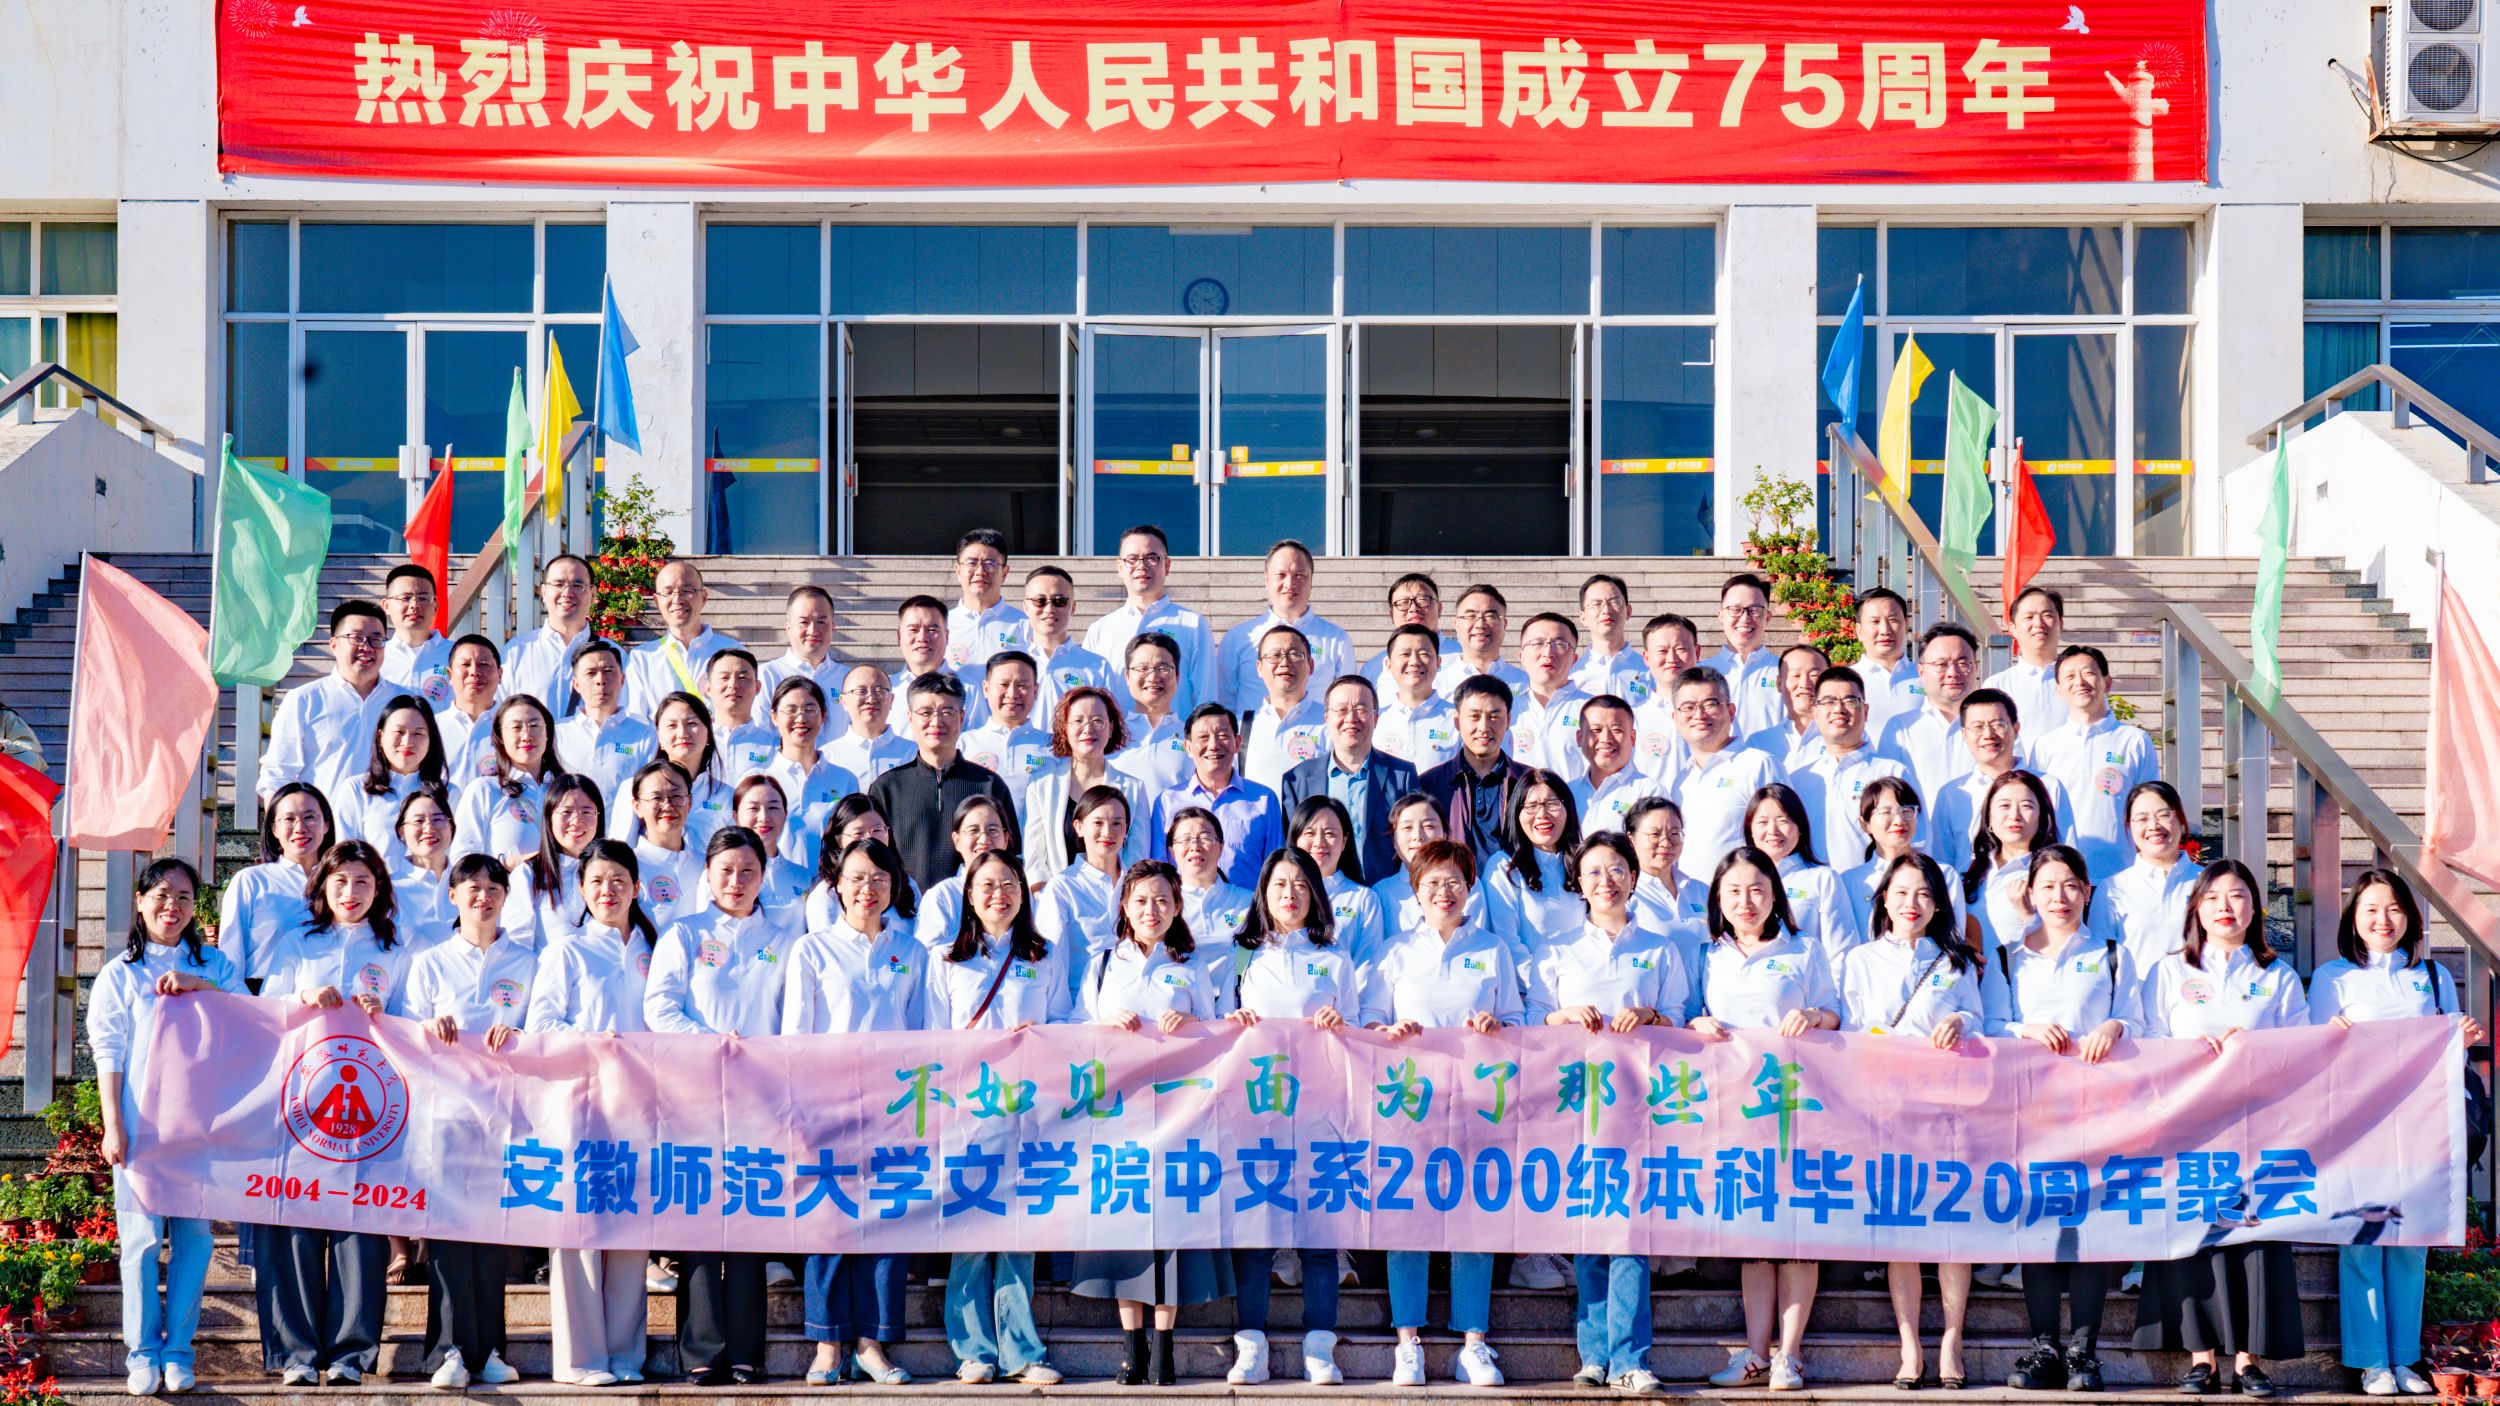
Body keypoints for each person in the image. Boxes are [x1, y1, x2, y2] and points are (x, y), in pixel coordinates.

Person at [2134, 859, 2309, 1397]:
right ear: (2196, 909)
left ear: (2255, 908)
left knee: (2254, 1237)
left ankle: (2248, 1360)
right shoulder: (2170, 972)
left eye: (2237, 896)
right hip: (2188, 1126)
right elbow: (2146, 1039)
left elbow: (2300, 1048)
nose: (2225, 907)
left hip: (2256, 1127)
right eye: (2212, 898)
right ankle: (2201, 1358)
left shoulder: (2275, 974)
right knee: (2193, 1235)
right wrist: (2187, 1052)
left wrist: (2254, 1048)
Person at [1529, 832, 1690, 1396]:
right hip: (1575, 1106)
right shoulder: (1556, 950)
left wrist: (1649, 1015)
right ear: (1579, 882)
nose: (1606, 881)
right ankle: (1593, 1354)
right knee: (1587, 1233)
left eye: (1617, 869)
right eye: (1594, 872)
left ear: (1633, 877)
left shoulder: (1660, 948)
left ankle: (1628, 1358)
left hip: (1639, 1110)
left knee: (1628, 1234)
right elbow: (1531, 1020)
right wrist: (1564, 1015)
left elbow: (1680, 1016)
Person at [2313, 869, 2482, 1397]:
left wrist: (2461, 1039)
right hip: (2358, 1127)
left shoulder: (2431, 975)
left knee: (2411, 1242)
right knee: (2363, 1240)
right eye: (2370, 909)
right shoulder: (2332, 978)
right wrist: (2327, 1037)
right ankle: (2371, 1361)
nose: (2382, 919)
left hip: (2421, 1122)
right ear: (2353, 919)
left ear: (2409, 916)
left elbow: (2448, 1055)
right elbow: (2314, 1057)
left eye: (2393, 909)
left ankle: (2405, 1358)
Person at [1361, 838, 1518, 1389]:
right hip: (1410, 1103)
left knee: (1474, 1216)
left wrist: (1497, 1026)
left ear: (1470, 887)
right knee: (1408, 1216)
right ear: (1415, 891)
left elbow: (1517, 1017)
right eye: (1432, 883)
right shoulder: (1396, 951)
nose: (1444, 892)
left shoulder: (1493, 948)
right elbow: (1368, 1020)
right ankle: (1409, 1342)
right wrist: (1389, 1030)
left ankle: (1474, 1343)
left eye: (1454, 881)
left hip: (1477, 1103)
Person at [1072, 859, 1233, 1386]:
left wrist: (1192, 1023)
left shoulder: (1192, 966)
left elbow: (1220, 1036)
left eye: (1162, 900)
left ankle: (1164, 1348)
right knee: (1125, 1227)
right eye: (1140, 900)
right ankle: (1131, 1347)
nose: (1151, 909)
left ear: (1178, 906)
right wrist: (1103, 1024)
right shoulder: (1102, 964)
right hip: (1118, 1118)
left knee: (1173, 1232)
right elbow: (1072, 1031)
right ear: (1124, 906)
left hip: (1179, 1116)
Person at [643, 827, 793, 1386]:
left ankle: (748, 1350)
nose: (736, 881)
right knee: (702, 1220)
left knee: (751, 1221)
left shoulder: (783, 939)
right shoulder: (684, 933)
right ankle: (702, 1348)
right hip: (696, 1092)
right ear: (706, 874)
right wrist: (711, 1045)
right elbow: (659, 1007)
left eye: (748, 870)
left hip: (761, 1095)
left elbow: (792, 1015)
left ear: (763, 875)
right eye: (725, 870)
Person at [254, 840, 407, 1385]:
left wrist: (385, 1013)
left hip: (368, 1113)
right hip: (299, 1104)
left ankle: (350, 1354)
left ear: (379, 888)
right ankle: (296, 1354)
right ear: (322, 887)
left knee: (360, 1231)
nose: (351, 892)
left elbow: (414, 1022)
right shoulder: (298, 943)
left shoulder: (395, 950)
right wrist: (302, 998)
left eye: (363, 881)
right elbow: (264, 1012)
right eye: (340, 881)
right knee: (294, 1227)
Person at [1838, 853, 1989, 1393]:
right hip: (1886, 1107)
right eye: (1901, 892)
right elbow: (1851, 1028)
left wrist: (1960, 1020)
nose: (1912, 903)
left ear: (1938, 904)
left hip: (1948, 1107)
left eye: (1924, 894)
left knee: (1951, 1226)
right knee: (1900, 1226)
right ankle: (1909, 1343)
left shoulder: (1955, 959)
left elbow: (1982, 1018)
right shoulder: (1860, 959)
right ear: (1883, 899)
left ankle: (1952, 1338)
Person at [91, 857, 242, 1397]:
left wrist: (200, 985)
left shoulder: (216, 965)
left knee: (195, 1241)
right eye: (160, 895)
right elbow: (108, 1051)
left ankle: (178, 1351)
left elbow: (251, 1020)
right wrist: (113, 1125)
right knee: (139, 1242)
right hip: (142, 1127)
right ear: (139, 901)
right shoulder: (119, 974)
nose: (171, 906)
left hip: (200, 1128)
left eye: (183, 897)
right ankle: (142, 1354)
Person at [1691, 845, 1839, 1392]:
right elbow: (1687, 1012)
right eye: (1733, 891)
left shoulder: (1804, 949)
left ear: (1776, 894)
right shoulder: (1707, 953)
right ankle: (1755, 1352)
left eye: (1756, 889)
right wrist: (1696, 1023)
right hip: (1733, 1109)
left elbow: (1837, 1014)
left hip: (1797, 1106)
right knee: (1754, 1231)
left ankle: (1790, 1355)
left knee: (1796, 1230)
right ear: (1718, 898)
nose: (1745, 901)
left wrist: (1814, 1016)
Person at [782, 837, 926, 1387]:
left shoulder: (911, 952)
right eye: (858, 878)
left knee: (885, 1223)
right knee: (828, 1219)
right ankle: (827, 1342)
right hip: (828, 1105)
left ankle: (872, 1343)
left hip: (893, 1106)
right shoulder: (813, 950)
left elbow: (923, 1032)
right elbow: (797, 1034)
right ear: (837, 886)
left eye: (880, 878)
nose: (869, 888)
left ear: (895, 886)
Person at [1999, 844, 2139, 1393]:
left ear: (2087, 891)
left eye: (2070, 885)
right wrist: (2025, 1029)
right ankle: (2044, 1348)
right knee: (2038, 1228)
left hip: (2095, 1111)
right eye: (2048, 886)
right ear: (2031, 894)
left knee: (2086, 1229)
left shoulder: (2111, 953)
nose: (2059, 897)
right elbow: (1990, 1021)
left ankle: (2083, 1350)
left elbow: (2139, 1017)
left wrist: (2115, 1026)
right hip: (2029, 1110)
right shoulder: (2010, 958)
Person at [925, 852, 1068, 1387]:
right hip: (966, 1112)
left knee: (1018, 1232)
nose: (998, 894)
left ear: (1023, 893)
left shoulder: (1043, 955)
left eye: (1009, 884)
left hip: (1028, 1113)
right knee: (969, 1231)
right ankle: (973, 1350)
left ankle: (1022, 1350)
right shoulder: (947, 959)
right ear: (968, 894)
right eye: (986, 885)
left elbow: (1067, 1019)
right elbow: (932, 1036)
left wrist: (1042, 1036)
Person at [524, 839, 659, 1385]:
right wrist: (594, 1042)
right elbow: (541, 1024)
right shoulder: (567, 952)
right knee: (579, 1230)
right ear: (581, 890)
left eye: (618, 880)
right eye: (597, 881)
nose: (608, 890)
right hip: (582, 1105)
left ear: (636, 887)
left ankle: (625, 1355)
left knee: (631, 1228)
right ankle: (581, 1359)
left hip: (642, 1107)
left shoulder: (654, 946)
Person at [1224, 846, 1357, 1386]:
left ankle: (1320, 1345)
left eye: (1301, 884)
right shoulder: (1241, 955)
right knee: (1257, 1230)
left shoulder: (1336, 958)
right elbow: (1215, 1021)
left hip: (1320, 1109)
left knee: (1320, 1235)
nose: (1290, 894)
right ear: (1264, 893)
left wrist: (1340, 1023)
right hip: (1257, 1111)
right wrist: (1233, 1021)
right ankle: (1250, 1344)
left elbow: (1359, 1029)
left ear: (1315, 894)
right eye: (1280, 884)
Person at [402, 854, 534, 1390]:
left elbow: (543, 1026)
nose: (483, 896)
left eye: (493, 887)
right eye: (471, 888)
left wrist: (519, 1037)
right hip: (446, 1115)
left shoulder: (527, 961)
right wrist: (428, 1025)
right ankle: (449, 1351)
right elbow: (405, 1031)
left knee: (493, 1235)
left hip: (507, 1115)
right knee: (451, 1235)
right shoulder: (430, 961)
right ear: (452, 896)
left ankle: (491, 1349)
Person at [869, 671, 1020, 889]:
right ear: (910, 718)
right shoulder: (887, 787)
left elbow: (1010, 855)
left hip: (972, 904)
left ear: (961, 717)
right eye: (925, 712)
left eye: (947, 712)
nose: (936, 722)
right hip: (907, 906)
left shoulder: (988, 784)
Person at [2030, 645, 2158, 880]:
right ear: (2059, 689)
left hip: (2122, 873)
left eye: (2088, 673)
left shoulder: (2134, 741)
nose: (2079, 682)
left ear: (2106, 682)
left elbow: (2150, 807)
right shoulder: (2046, 746)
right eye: (2070, 676)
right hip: (2063, 876)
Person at [1281, 675, 1418, 883]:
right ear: (1327, 718)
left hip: (1384, 891)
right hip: (1320, 891)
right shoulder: (1297, 779)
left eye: (1361, 709)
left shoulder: (1402, 775)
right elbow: (1292, 848)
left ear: (1376, 718)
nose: (1351, 718)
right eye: (1341, 709)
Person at [259, 600, 394, 806]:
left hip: (389, 822)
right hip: (324, 823)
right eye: (356, 638)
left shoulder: (403, 700)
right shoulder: (304, 700)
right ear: (334, 644)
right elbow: (278, 774)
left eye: (376, 639)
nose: (366, 647)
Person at [1929, 690, 2071, 875]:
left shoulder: (2049, 786)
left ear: (2016, 729)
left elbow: (2067, 857)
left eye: (1998, 725)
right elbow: (1942, 865)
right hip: (1971, 892)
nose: (1988, 734)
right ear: (1964, 734)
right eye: (1977, 727)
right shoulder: (1951, 794)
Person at [1019, 687, 1149, 886]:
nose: (1088, 729)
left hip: (1115, 897)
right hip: (1058, 897)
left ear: (1110, 728)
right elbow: (1036, 862)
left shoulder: (1133, 788)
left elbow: (1136, 860)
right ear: (1065, 728)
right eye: (1078, 721)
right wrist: (1049, 897)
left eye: (1097, 721)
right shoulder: (1041, 786)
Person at [1664, 666, 1782, 885]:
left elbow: (1783, 839)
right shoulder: (1682, 779)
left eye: (1710, 704)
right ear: (1675, 717)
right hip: (1693, 899)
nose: (1699, 715)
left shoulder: (1758, 765)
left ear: (1731, 710)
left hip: (1745, 898)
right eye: (1688, 707)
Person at [1083, 524, 1217, 714]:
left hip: (1176, 732)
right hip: (1118, 733)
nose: (1141, 566)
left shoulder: (1193, 624)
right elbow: (1088, 698)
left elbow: (1206, 695)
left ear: (1167, 565)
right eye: (1132, 559)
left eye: (1151, 558)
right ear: (1120, 567)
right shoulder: (1100, 629)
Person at [1147, 704, 1282, 889]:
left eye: (1223, 736)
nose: (1213, 745)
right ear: (1188, 747)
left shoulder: (1264, 800)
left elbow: (1276, 869)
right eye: (1203, 737)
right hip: (1185, 906)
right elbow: (1159, 869)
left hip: (1246, 905)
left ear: (1237, 742)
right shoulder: (1168, 801)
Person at [1217, 539, 1355, 715]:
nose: (1290, 584)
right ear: (1267, 579)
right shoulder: (1238, 637)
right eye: (1281, 575)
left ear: (1311, 580)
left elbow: (1345, 701)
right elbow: (1224, 702)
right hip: (1253, 732)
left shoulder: (1337, 639)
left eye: (1300, 575)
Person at [218, 781, 334, 983]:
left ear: (326, 824)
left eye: (309, 817)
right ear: (274, 828)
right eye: (289, 819)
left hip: (326, 996)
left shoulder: (340, 883)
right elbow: (230, 959)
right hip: (261, 996)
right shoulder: (252, 881)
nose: (300, 828)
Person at [1788, 665, 1911, 855]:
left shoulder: (1892, 773)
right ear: (1815, 713)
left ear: (1866, 711)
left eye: (1850, 701)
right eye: (1828, 701)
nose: (1839, 709)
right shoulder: (1799, 780)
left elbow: (1917, 843)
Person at [1417, 675, 1532, 862]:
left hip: (1516, 880)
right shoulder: (1430, 785)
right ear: (1457, 721)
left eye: (1494, 716)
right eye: (1474, 717)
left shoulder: (1529, 782)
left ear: (1508, 719)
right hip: (1453, 879)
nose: (1484, 727)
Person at [1483, 768, 1585, 967]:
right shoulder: (1504, 867)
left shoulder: (1585, 864)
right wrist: (1543, 985)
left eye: (1552, 803)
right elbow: (1508, 945)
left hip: (1584, 981)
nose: (1542, 814)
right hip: (1530, 984)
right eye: (1531, 806)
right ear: (1517, 813)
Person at [1746, 781, 1860, 956]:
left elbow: (1841, 951)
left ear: (1800, 828)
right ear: (1750, 830)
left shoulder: (1822, 879)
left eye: (1783, 821)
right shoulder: (1737, 881)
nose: (1772, 830)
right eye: (1762, 822)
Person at [756, 677, 858, 871]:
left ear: (823, 715)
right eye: (791, 710)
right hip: (771, 885)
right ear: (774, 716)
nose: (801, 718)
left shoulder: (845, 780)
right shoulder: (757, 778)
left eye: (810, 710)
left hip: (827, 884)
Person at [1963, 770, 2067, 958]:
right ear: (1989, 818)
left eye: (2026, 806)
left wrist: (2028, 915)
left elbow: (2066, 943)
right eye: (2004, 806)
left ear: (2042, 818)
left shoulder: (2053, 874)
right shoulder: (1969, 871)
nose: (2015, 815)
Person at [1878, 623, 1984, 806]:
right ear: (1921, 671)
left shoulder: (1994, 725)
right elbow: (1889, 797)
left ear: (1976, 668)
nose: (1953, 673)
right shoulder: (1900, 729)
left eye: (1962, 663)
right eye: (1941, 664)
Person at [452, 694, 562, 868]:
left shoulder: (566, 790)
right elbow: (462, 859)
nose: (526, 735)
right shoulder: (484, 790)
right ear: (500, 737)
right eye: (516, 727)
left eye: (534, 726)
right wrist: (507, 865)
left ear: (548, 733)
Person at [1035, 786, 1131, 978]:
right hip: (1079, 995)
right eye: (1098, 823)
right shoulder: (1062, 887)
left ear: (1126, 828)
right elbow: (1048, 958)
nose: (1107, 832)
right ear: (1079, 827)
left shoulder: (1137, 884)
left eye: (1117, 823)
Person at [625, 560, 741, 720]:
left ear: (703, 597)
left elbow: (744, 714)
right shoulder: (642, 658)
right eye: (668, 592)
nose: (677, 599)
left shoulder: (733, 652)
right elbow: (636, 720)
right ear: (657, 601)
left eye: (687, 590)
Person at [2105, 780, 2200, 971]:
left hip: (2197, 989)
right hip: (2134, 990)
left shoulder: (2208, 882)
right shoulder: (2112, 888)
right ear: (2129, 826)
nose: (2154, 826)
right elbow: (2101, 960)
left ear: (2181, 819)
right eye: (2142, 818)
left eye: (2164, 815)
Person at [1286, 795, 1390, 966]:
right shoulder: (1278, 895)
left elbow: (1367, 964)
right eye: (1310, 833)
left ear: (1344, 841)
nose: (1319, 842)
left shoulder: (1363, 899)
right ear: (1296, 839)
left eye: (1330, 833)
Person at [338, 695, 444, 863]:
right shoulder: (356, 789)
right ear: (381, 736)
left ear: (430, 740)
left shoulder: (447, 792)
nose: (407, 742)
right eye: (399, 732)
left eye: (418, 733)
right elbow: (345, 858)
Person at [553, 639, 653, 815]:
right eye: (591, 673)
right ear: (576, 684)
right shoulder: (557, 733)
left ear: (622, 679)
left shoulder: (644, 732)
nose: (601, 680)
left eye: (608, 671)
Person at [1009, 565, 1118, 723]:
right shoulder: (1010, 664)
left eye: (1059, 601)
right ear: (1026, 607)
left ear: (1072, 607)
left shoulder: (1097, 667)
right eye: (1040, 601)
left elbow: (1109, 724)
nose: (1049, 609)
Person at [802, 797, 924, 937]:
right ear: (839, 839)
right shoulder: (827, 896)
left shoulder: (908, 886)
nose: (869, 838)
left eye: (877, 830)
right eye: (858, 833)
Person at [500, 552, 598, 718]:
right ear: (544, 592)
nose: (567, 593)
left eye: (577, 585)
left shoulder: (611, 654)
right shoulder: (516, 652)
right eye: (558, 584)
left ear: (593, 594)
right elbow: (501, 715)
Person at [1238, 624, 1326, 794]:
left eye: (1295, 654)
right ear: (1259, 667)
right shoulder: (1241, 725)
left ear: (1310, 665)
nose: (1285, 663)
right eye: (1274, 655)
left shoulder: (1329, 721)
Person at [517, 774, 606, 941]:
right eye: (566, 811)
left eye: (586, 811)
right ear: (549, 816)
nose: (576, 821)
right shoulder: (528, 874)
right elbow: (518, 942)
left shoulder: (612, 874)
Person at [961, 650, 1052, 809]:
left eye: (1022, 685)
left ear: (1035, 690)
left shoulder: (1053, 746)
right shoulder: (963, 744)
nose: (1012, 694)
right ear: (986, 689)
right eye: (1003, 684)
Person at [623, 760, 705, 930]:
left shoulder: (706, 866)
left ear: (689, 802)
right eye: (656, 798)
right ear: (637, 806)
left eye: (676, 796)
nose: (667, 805)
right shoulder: (628, 868)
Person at [1511, 612, 1591, 783]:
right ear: (1522, 657)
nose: (1548, 653)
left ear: (1574, 658)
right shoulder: (1507, 708)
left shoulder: (1593, 709)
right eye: (1537, 643)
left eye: (1560, 644)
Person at [645, 692, 732, 844]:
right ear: (659, 736)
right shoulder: (639, 789)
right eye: (672, 725)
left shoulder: (726, 796)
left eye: (691, 724)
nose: (682, 734)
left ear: (708, 733)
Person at [1111, 632, 1192, 797]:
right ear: (1127, 676)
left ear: (1177, 676)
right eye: (1142, 668)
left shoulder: (1193, 738)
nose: (1153, 677)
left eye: (1163, 669)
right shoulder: (1109, 735)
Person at [1705, 574, 1785, 738]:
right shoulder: (1701, 673)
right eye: (1735, 610)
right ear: (1721, 615)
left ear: (1768, 617)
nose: (1745, 618)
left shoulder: (1785, 672)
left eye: (1754, 611)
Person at [1373, 624, 1459, 774]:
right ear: (1388, 664)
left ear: (1438, 663)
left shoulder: (1457, 719)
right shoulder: (1376, 720)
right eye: (1405, 654)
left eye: (1424, 654)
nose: (1414, 662)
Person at [1983, 586, 2068, 739]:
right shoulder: (1997, 685)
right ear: (2013, 629)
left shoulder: (2081, 682)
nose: (2038, 623)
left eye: (2047, 615)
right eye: (2029, 617)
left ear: (2061, 624)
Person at [728, 775, 817, 916]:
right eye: (753, 808)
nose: (764, 817)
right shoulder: (724, 874)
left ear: (785, 814)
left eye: (773, 807)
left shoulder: (802, 876)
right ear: (735, 815)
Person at [1624, 796, 1709, 944]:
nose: (1666, 843)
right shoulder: (1625, 894)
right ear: (1631, 840)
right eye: (1655, 834)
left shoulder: (1700, 891)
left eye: (1674, 834)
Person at [1571, 694, 1661, 833]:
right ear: (1579, 737)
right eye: (1596, 730)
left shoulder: (1649, 792)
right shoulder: (1567, 792)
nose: (1606, 739)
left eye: (1616, 730)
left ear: (1632, 738)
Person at [1631, 614, 1704, 780]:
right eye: (1662, 651)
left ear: (1697, 652)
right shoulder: (1633, 718)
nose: (1672, 658)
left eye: (1680, 649)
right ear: (1646, 657)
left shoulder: (1716, 712)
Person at [1170, 807, 1255, 947]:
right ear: (1172, 851)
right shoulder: (1164, 904)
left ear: (1221, 847)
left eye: (1205, 838)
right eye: (1185, 839)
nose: (1195, 846)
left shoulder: (1248, 902)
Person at [946, 527, 1027, 672]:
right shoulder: (942, 625)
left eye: (990, 563)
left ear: (1004, 573)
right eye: (972, 563)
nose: (980, 571)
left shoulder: (1025, 625)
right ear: (958, 571)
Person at [430, 636, 505, 791]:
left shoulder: (512, 727)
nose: (474, 672)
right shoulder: (431, 727)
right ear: (449, 675)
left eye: (484, 664)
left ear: (500, 674)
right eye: (465, 664)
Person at [1361, 571, 1460, 687]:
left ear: (1439, 608)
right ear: (1392, 615)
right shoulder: (1373, 668)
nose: (1413, 608)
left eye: (1422, 600)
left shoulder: (1464, 656)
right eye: (1403, 603)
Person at [390, 783, 461, 944]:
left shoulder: (468, 882)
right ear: (401, 831)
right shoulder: (389, 888)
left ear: (451, 827)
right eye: (418, 821)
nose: (429, 829)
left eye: (438, 819)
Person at [886, 595, 970, 730]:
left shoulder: (968, 688)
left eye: (932, 630)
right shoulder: (885, 690)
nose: (922, 638)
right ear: (899, 637)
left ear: (947, 636)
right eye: (913, 630)